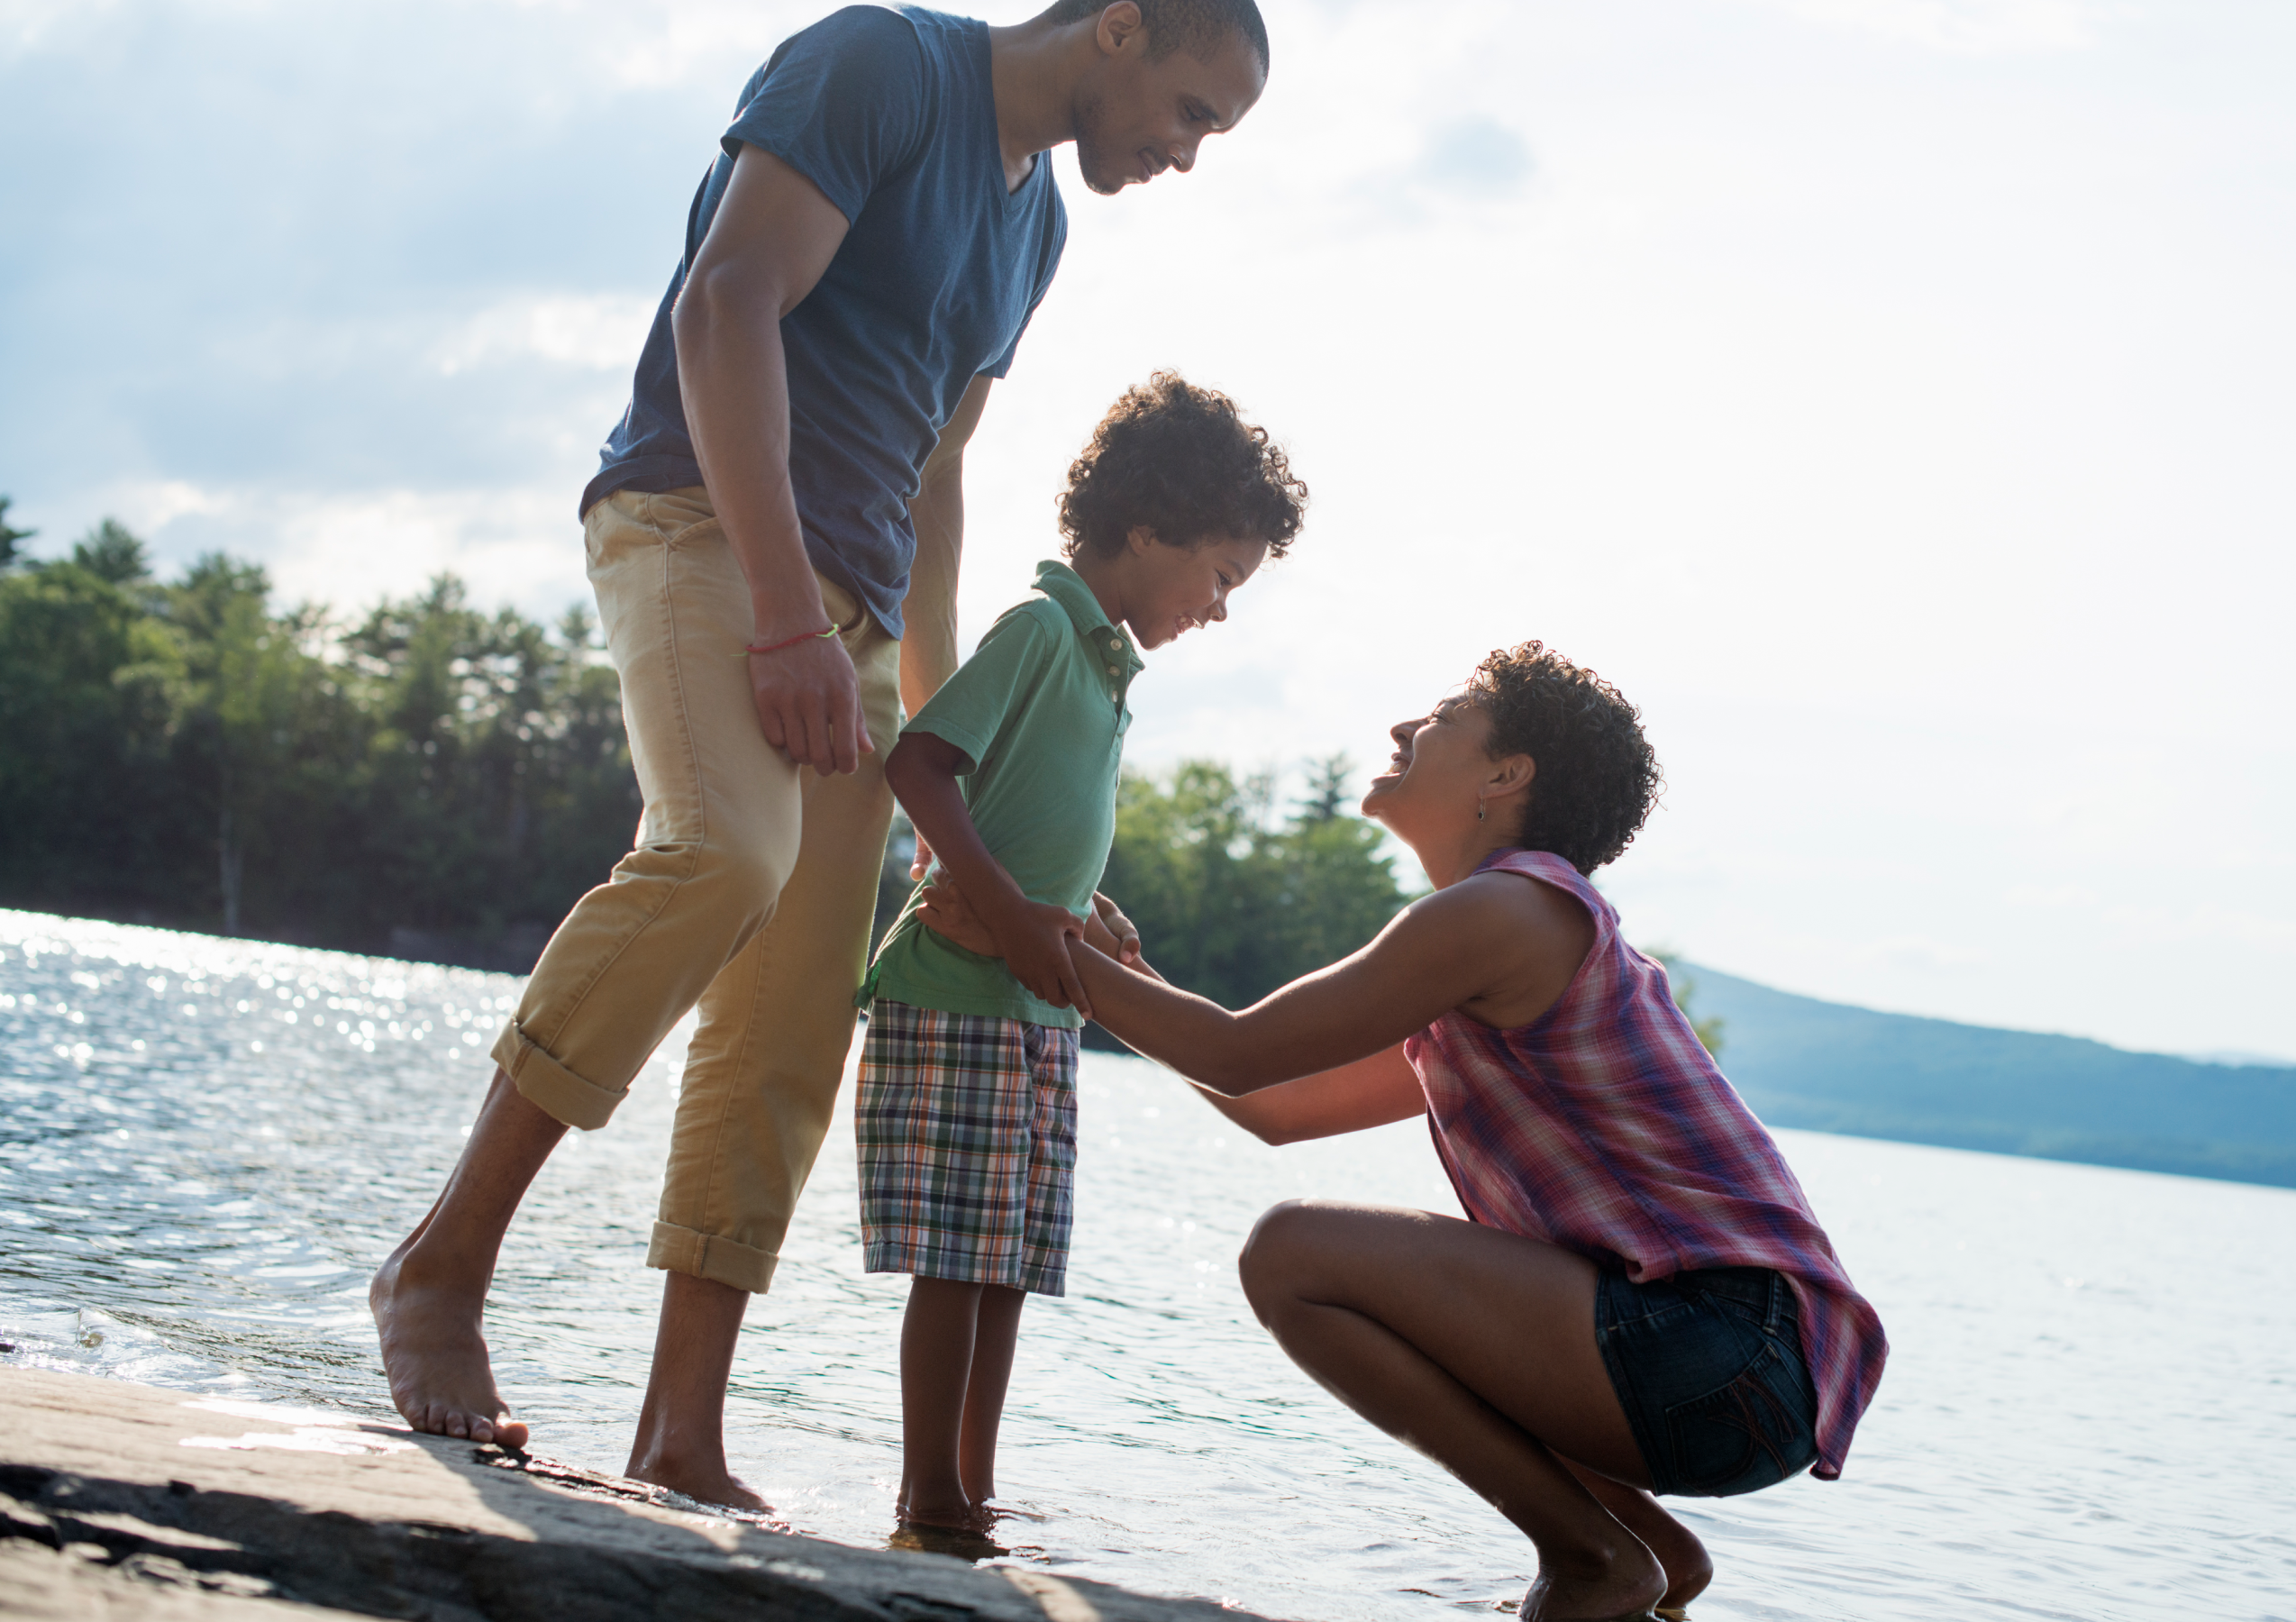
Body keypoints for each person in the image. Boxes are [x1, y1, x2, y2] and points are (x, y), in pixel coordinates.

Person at [369, 0, 1273, 1510]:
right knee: (726, 852)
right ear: (1119, 26)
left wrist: (940, 765)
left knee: (794, 1013)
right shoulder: (879, 66)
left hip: (848, 619)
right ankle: (441, 1268)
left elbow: (938, 476)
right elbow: (723, 306)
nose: (1184, 156)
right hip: (699, 527)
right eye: (1190, 112)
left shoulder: (1036, 226)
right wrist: (785, 614)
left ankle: (679, 1430)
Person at [920, 644, 1891, 1622]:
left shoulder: (1506, 912)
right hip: (1743, 1380)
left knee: (1293, 1254)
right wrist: (1125, 968)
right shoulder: (1497, 948)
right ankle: (1646, 1553)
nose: (1403, 730)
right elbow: (1273, 1106)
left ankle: (1592, 1552)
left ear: (1507, 776)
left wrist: (1016, 925)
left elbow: (1238, 1054)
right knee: (1330, 1265)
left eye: (1444, 712)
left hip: (1724, 1349)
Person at [860, 371, 1305, 1542]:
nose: (1218, 607)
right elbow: (920, 765)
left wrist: (1078, 908)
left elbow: (1023, 815)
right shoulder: (1043, 631)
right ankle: (928, 1494)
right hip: (956, 990)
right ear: (1148, 529)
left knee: (1009, 1267)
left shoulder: (1107, 673)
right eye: (1218, 575)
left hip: (1039, 1011)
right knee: (955, 1262)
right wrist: (1006, 911)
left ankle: (973, 1481)